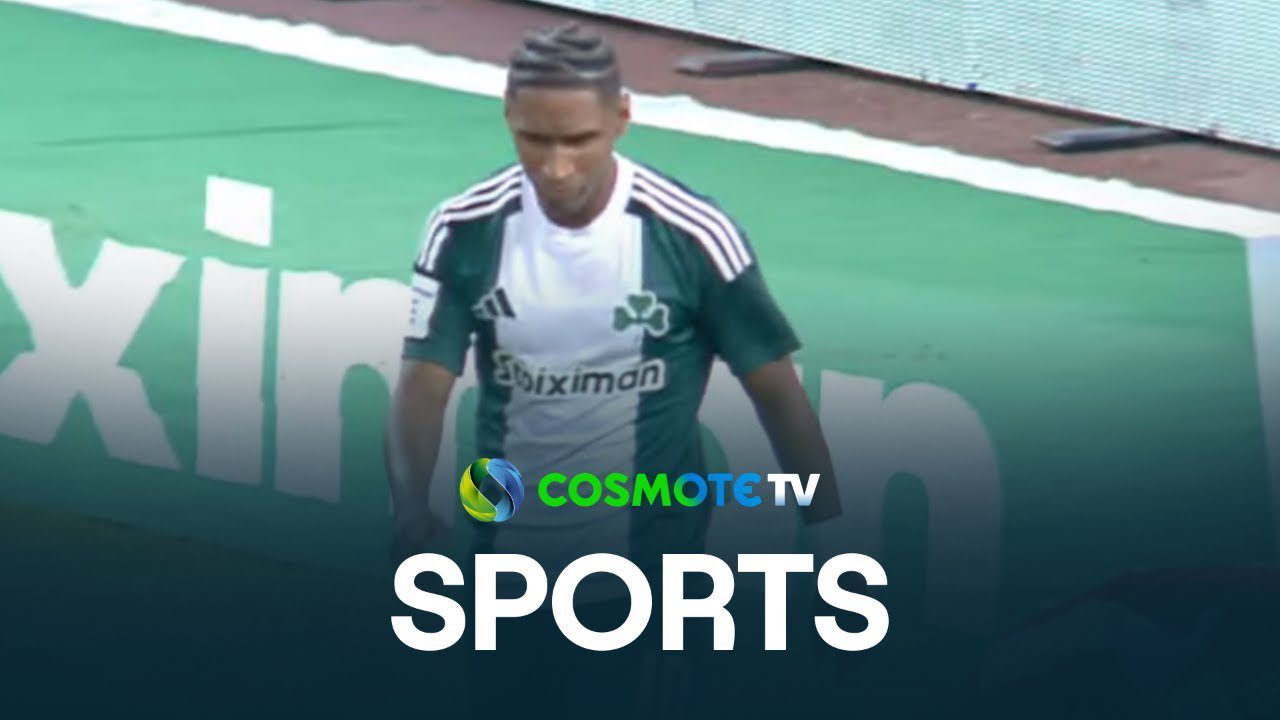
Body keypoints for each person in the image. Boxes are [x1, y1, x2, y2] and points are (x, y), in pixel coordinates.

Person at [384, 21, 844, 673]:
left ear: (622, 118)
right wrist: (411, 511)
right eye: (534, 139)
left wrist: (827, 539)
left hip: (654, 575)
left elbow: (777, 392)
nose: (556, 167)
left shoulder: (691, 234)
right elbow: (422, 387)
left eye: (579, 140)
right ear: (508, 116)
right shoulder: (463, 229)